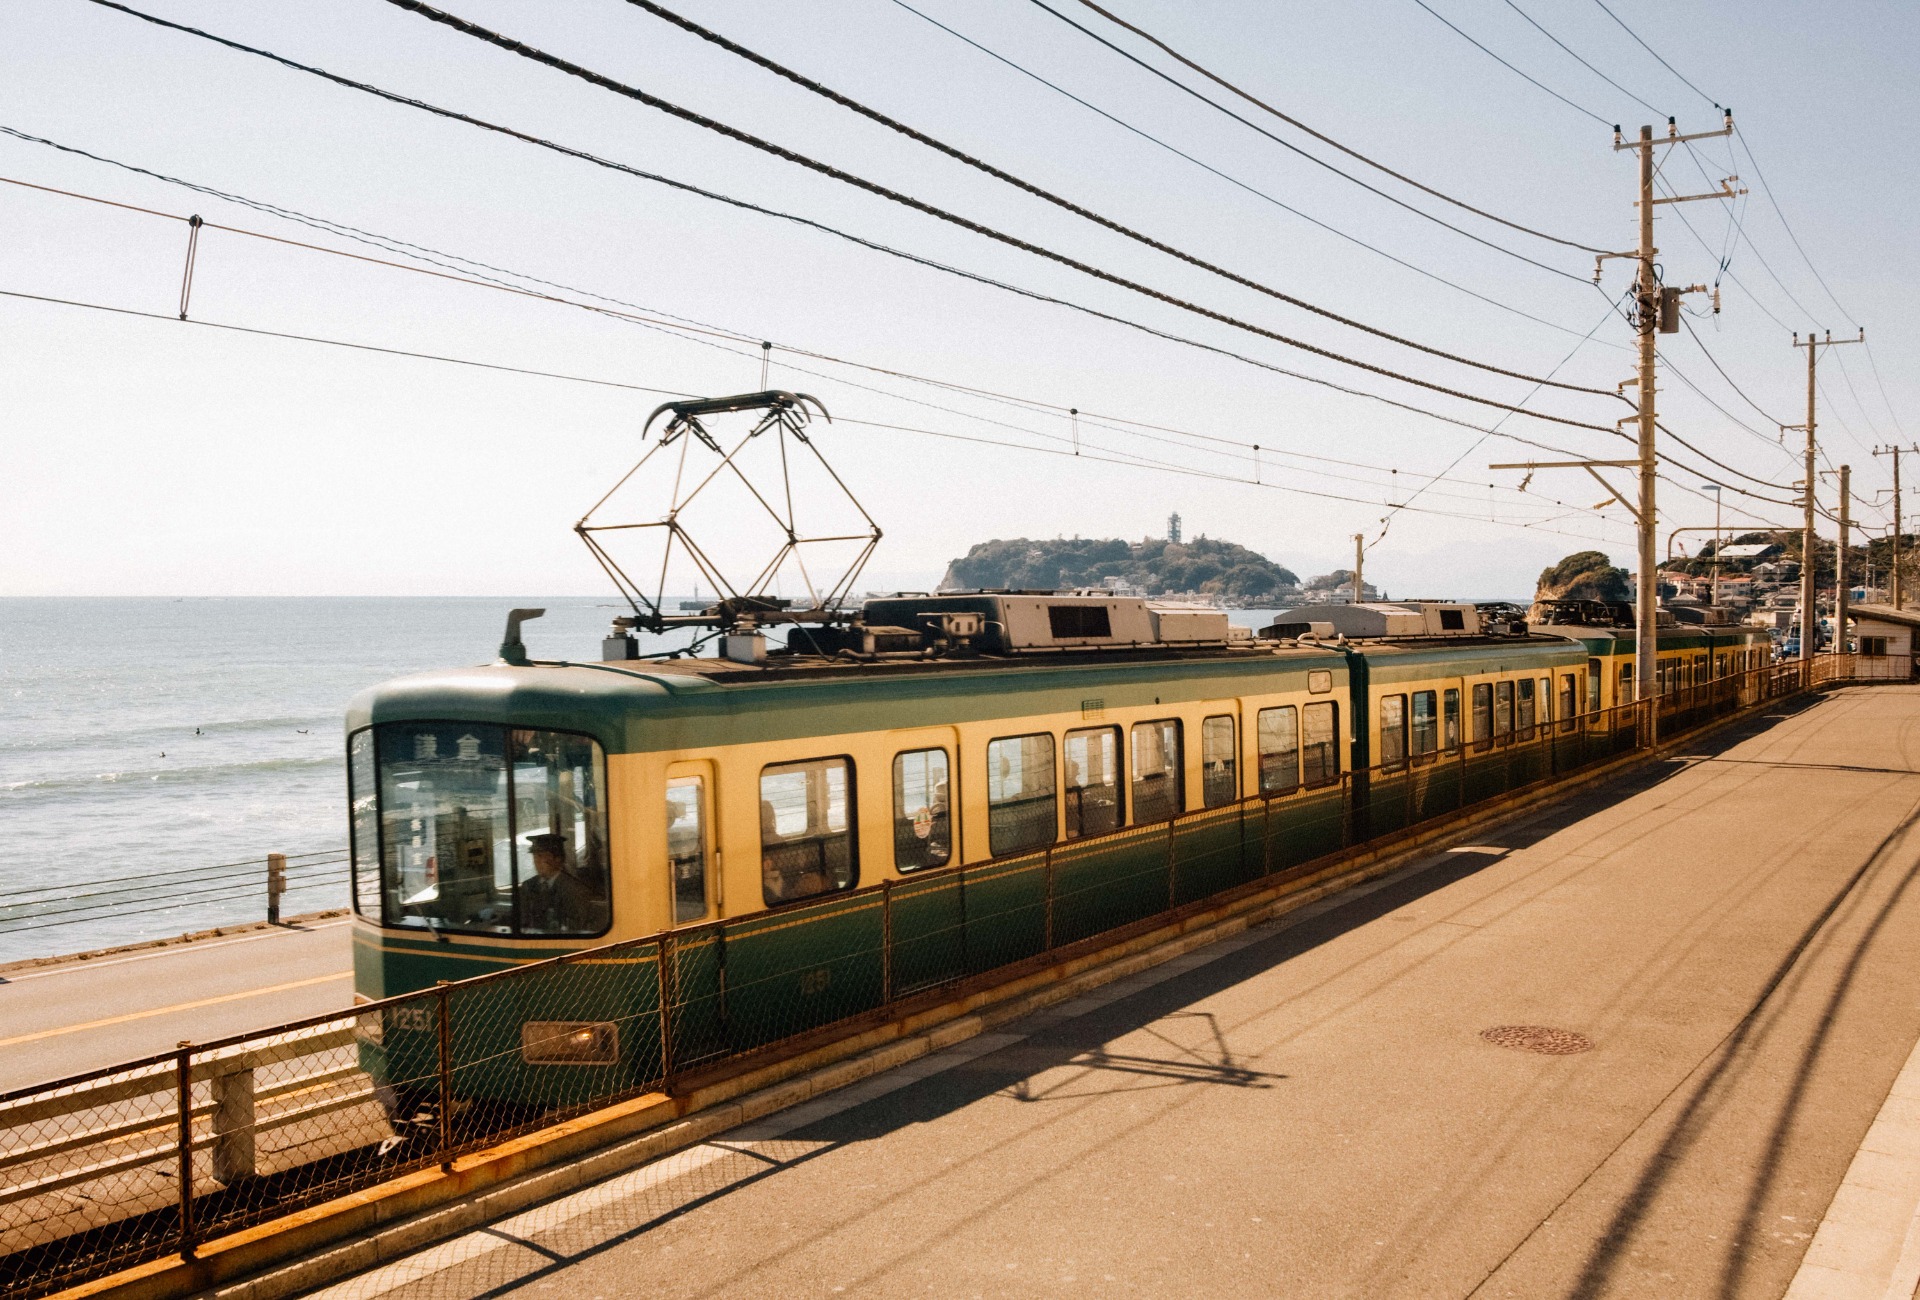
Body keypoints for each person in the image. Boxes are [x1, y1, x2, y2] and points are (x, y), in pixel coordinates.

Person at [518, 832, 598, 933]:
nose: (537, 861)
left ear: (558, 859)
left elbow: (579, 926)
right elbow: (522, 920)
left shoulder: (574, 889)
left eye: (542, 856)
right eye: (535, 856)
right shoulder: (528, 885)